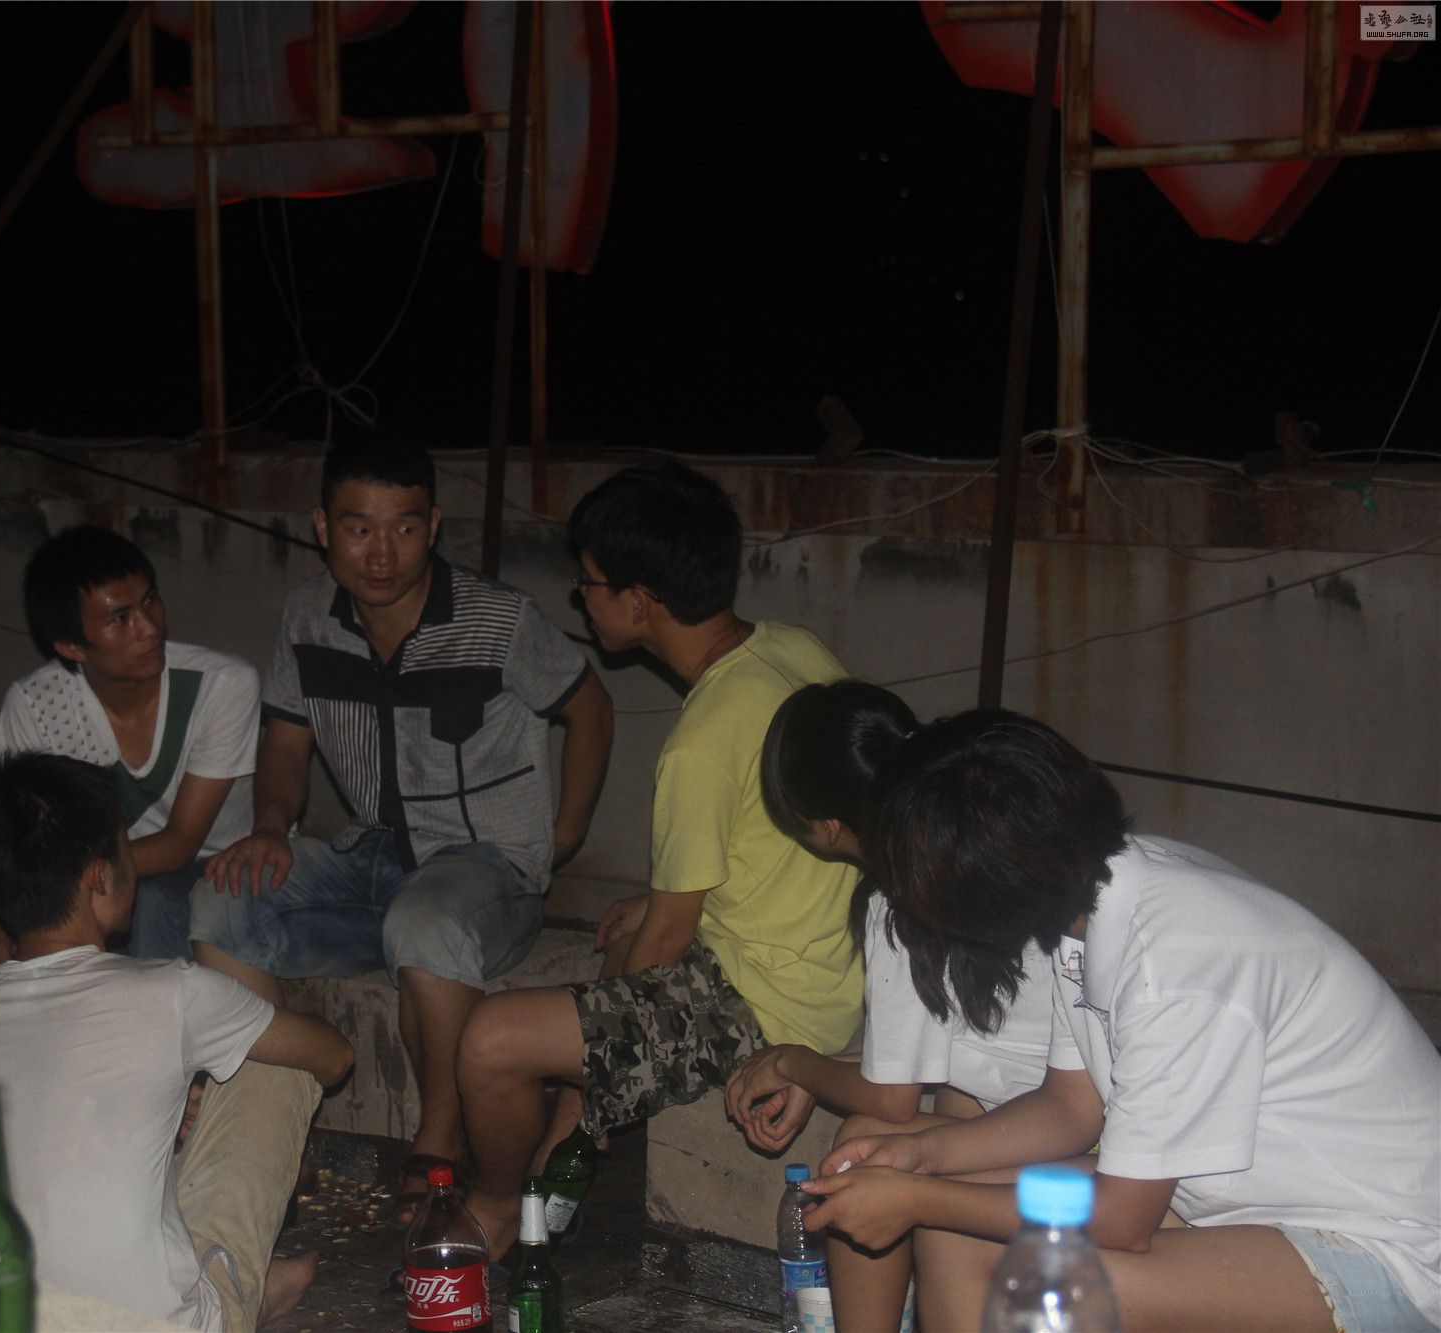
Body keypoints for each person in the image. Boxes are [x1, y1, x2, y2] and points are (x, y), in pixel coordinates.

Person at [804, 711, 1441, 1332]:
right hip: (1235, 1204)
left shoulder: (1174, 959)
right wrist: (920, 1155)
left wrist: (917, 1197)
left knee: (1052, 1288)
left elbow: (1121, 1222)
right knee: (955, 1214)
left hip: (1383, 1247)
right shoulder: (1086, 900)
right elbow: (1070, 1108)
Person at [192, 439, 614, 1224]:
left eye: (405, 528)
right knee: (221, 901)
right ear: (324, 527)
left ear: (434, 526)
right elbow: (285, 743)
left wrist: (566, 830)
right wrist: (270, 826)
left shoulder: (499, 618)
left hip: (485, 867)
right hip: (372, 854)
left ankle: (440, 1135)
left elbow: (589, 705)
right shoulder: (306, 617)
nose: (381, 553)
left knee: (424, 919)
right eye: (359, 529)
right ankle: (270, 1116)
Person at [453, 461, 863, 1260]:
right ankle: (566, 1145)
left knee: (492, 1039)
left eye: (590, 583)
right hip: (823, 960)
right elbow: (771, 844)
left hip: (770, 1004)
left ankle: (500, 1201)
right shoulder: (793, 648)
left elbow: (666, 947)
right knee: (624, 925)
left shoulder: (700, 741)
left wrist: (593, 1071)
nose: (582, 597)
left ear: (640, 601)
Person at [0, 752, 353, 1332]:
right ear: (100, 878)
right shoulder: (172, 993)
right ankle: (242, 1290)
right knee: (275, 1063)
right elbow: (333, 1057)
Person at [723, 680, 1057, 1333]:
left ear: (825, 828)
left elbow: (891, 1098)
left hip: (1056, 1129)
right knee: (932, 1109)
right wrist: (820, 1070)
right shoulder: (969, 845)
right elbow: (918, 1052)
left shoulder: (899, 896)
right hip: (1053, 1107)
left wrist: (790, 1063)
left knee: (861, 1148)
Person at [0, 525, 258, 963]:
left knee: (150, 901)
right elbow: (16, 835)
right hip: (102, 875)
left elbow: (181, 843)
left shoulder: (222, 686)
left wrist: (61, 881)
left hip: (223, 865)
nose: (149, 627)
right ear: (72, 647)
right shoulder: (34, 704)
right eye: (120, 618)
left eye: (150, 601)